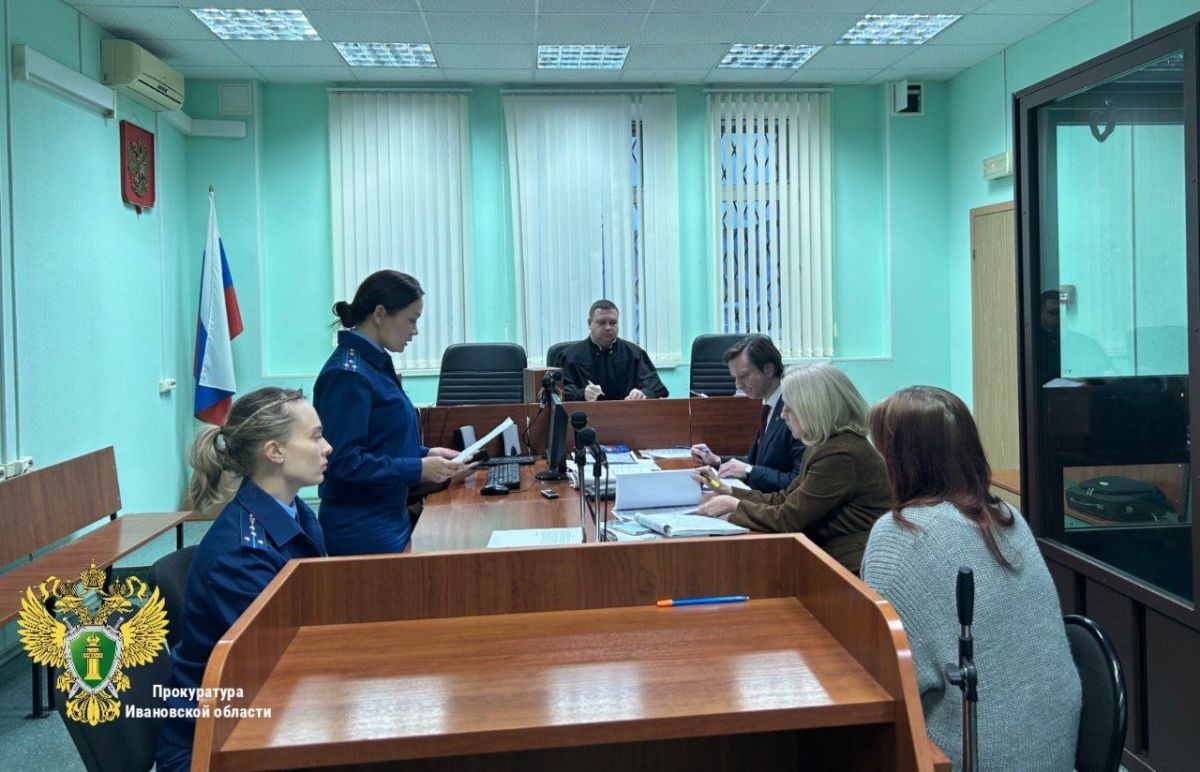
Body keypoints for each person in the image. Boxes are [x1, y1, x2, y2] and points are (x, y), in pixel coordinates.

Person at [862, 386, 1080, 772]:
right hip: (1052, 750)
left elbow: (884, 683)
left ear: (899, 460)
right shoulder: (1006, 515)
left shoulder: (901, 534)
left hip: (974, 755)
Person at [155, 388, 331, 772]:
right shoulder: (241, 553)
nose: (327, 447)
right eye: (316, 436)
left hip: (264, 712)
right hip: (213, 743)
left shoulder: (295, 513)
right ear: (275, 451)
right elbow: (276, 665)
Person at [314, 270, 470, 556]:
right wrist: (418, 468)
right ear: (380, 314)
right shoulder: (347, 375)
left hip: (389, 515)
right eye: (412, 320)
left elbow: (382, 440)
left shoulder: (374, 364)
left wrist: (426, 454)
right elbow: (343, 463)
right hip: (362, 527)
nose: (415, 331)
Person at [692, 363, 890, 573]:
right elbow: (784, 499)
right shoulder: (824, 445)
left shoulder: (841, 455)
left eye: (789, 408)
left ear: (813, 410)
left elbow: (789, 518)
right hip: (825, 555)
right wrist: (727, 490)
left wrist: (735, 505)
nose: (783, 415)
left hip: (848, 568)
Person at [689, 334, 804, 492]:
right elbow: (756, 462)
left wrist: (749, 471)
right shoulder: (769, 406)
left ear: (769, 369)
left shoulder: (794, 410)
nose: (738, 385)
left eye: (743, 376)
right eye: (735, 378)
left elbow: (799, 482)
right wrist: (716, 460)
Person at [552, 299, 668, 401]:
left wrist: (643, 393)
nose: (608, 327)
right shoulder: (570, 356)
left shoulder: (634, 353)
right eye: (602, 323)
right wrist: (581, 393)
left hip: (628, 414)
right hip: (585, 416)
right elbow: (556, 392)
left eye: (613, 323)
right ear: (589, 323)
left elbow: (655, 387)